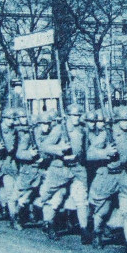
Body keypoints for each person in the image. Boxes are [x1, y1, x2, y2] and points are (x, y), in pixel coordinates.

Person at [88, 107, 127, 253]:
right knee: (103, 209)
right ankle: (97, 233)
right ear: (117, 121)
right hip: (108, 174)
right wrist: (105, 152)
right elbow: (90, 153)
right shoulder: (107, 133)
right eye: (123, 120)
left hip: (126, 174)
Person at [38, 103, 89, 242]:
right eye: (74, 115)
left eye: (78, 115)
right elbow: (44, 146)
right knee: (55, 197)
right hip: (60, 168)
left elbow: (85, 149)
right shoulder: (59, 129)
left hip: (77, 168)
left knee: (81, 197)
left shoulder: (83, 129)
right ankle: (49, 224)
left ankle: (84, 230)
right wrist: (60, 149)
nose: (76, 118)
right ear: (68, 116)